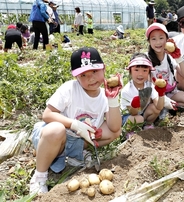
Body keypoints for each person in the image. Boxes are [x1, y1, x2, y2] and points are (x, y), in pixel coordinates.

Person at [29, 47, 122, 194]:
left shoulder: (104, 96)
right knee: (56, 129)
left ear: (104, 69)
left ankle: (79, 155)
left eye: (95, 72)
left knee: (114, 132)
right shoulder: (70, 89)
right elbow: (47, 115)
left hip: (77, 142)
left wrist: (113, 100)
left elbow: (115, 128)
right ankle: (39, 176)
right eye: (84, 75)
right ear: (76, 77)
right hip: (54, 138)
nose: (91, 78)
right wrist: (74, 124)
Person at [146, 23, 184, 115]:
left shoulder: (169, 57)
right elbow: (147, 85)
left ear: (167, 40)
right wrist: (163, 99)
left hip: (170, 92)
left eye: (161, 38)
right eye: (153, 39)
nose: (158, 42)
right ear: (149, 42)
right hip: (154, 95)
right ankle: (163, 106)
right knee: (154, 103)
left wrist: (178, 57)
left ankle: (167, 107)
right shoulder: (146, 59)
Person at [120, 53, 165, 138]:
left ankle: (147, 125)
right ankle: (128, 131)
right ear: (130, 71)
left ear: (149, 72)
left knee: (154, 108)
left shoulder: (149, 86)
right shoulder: (127, 90)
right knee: (138, 119)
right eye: (136, 70)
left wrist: (161, 94)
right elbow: (133, 113)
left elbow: (159, 107)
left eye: (144, 71)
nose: (140, 74)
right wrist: (135, 105)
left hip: (142, 113)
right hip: (129, 116)